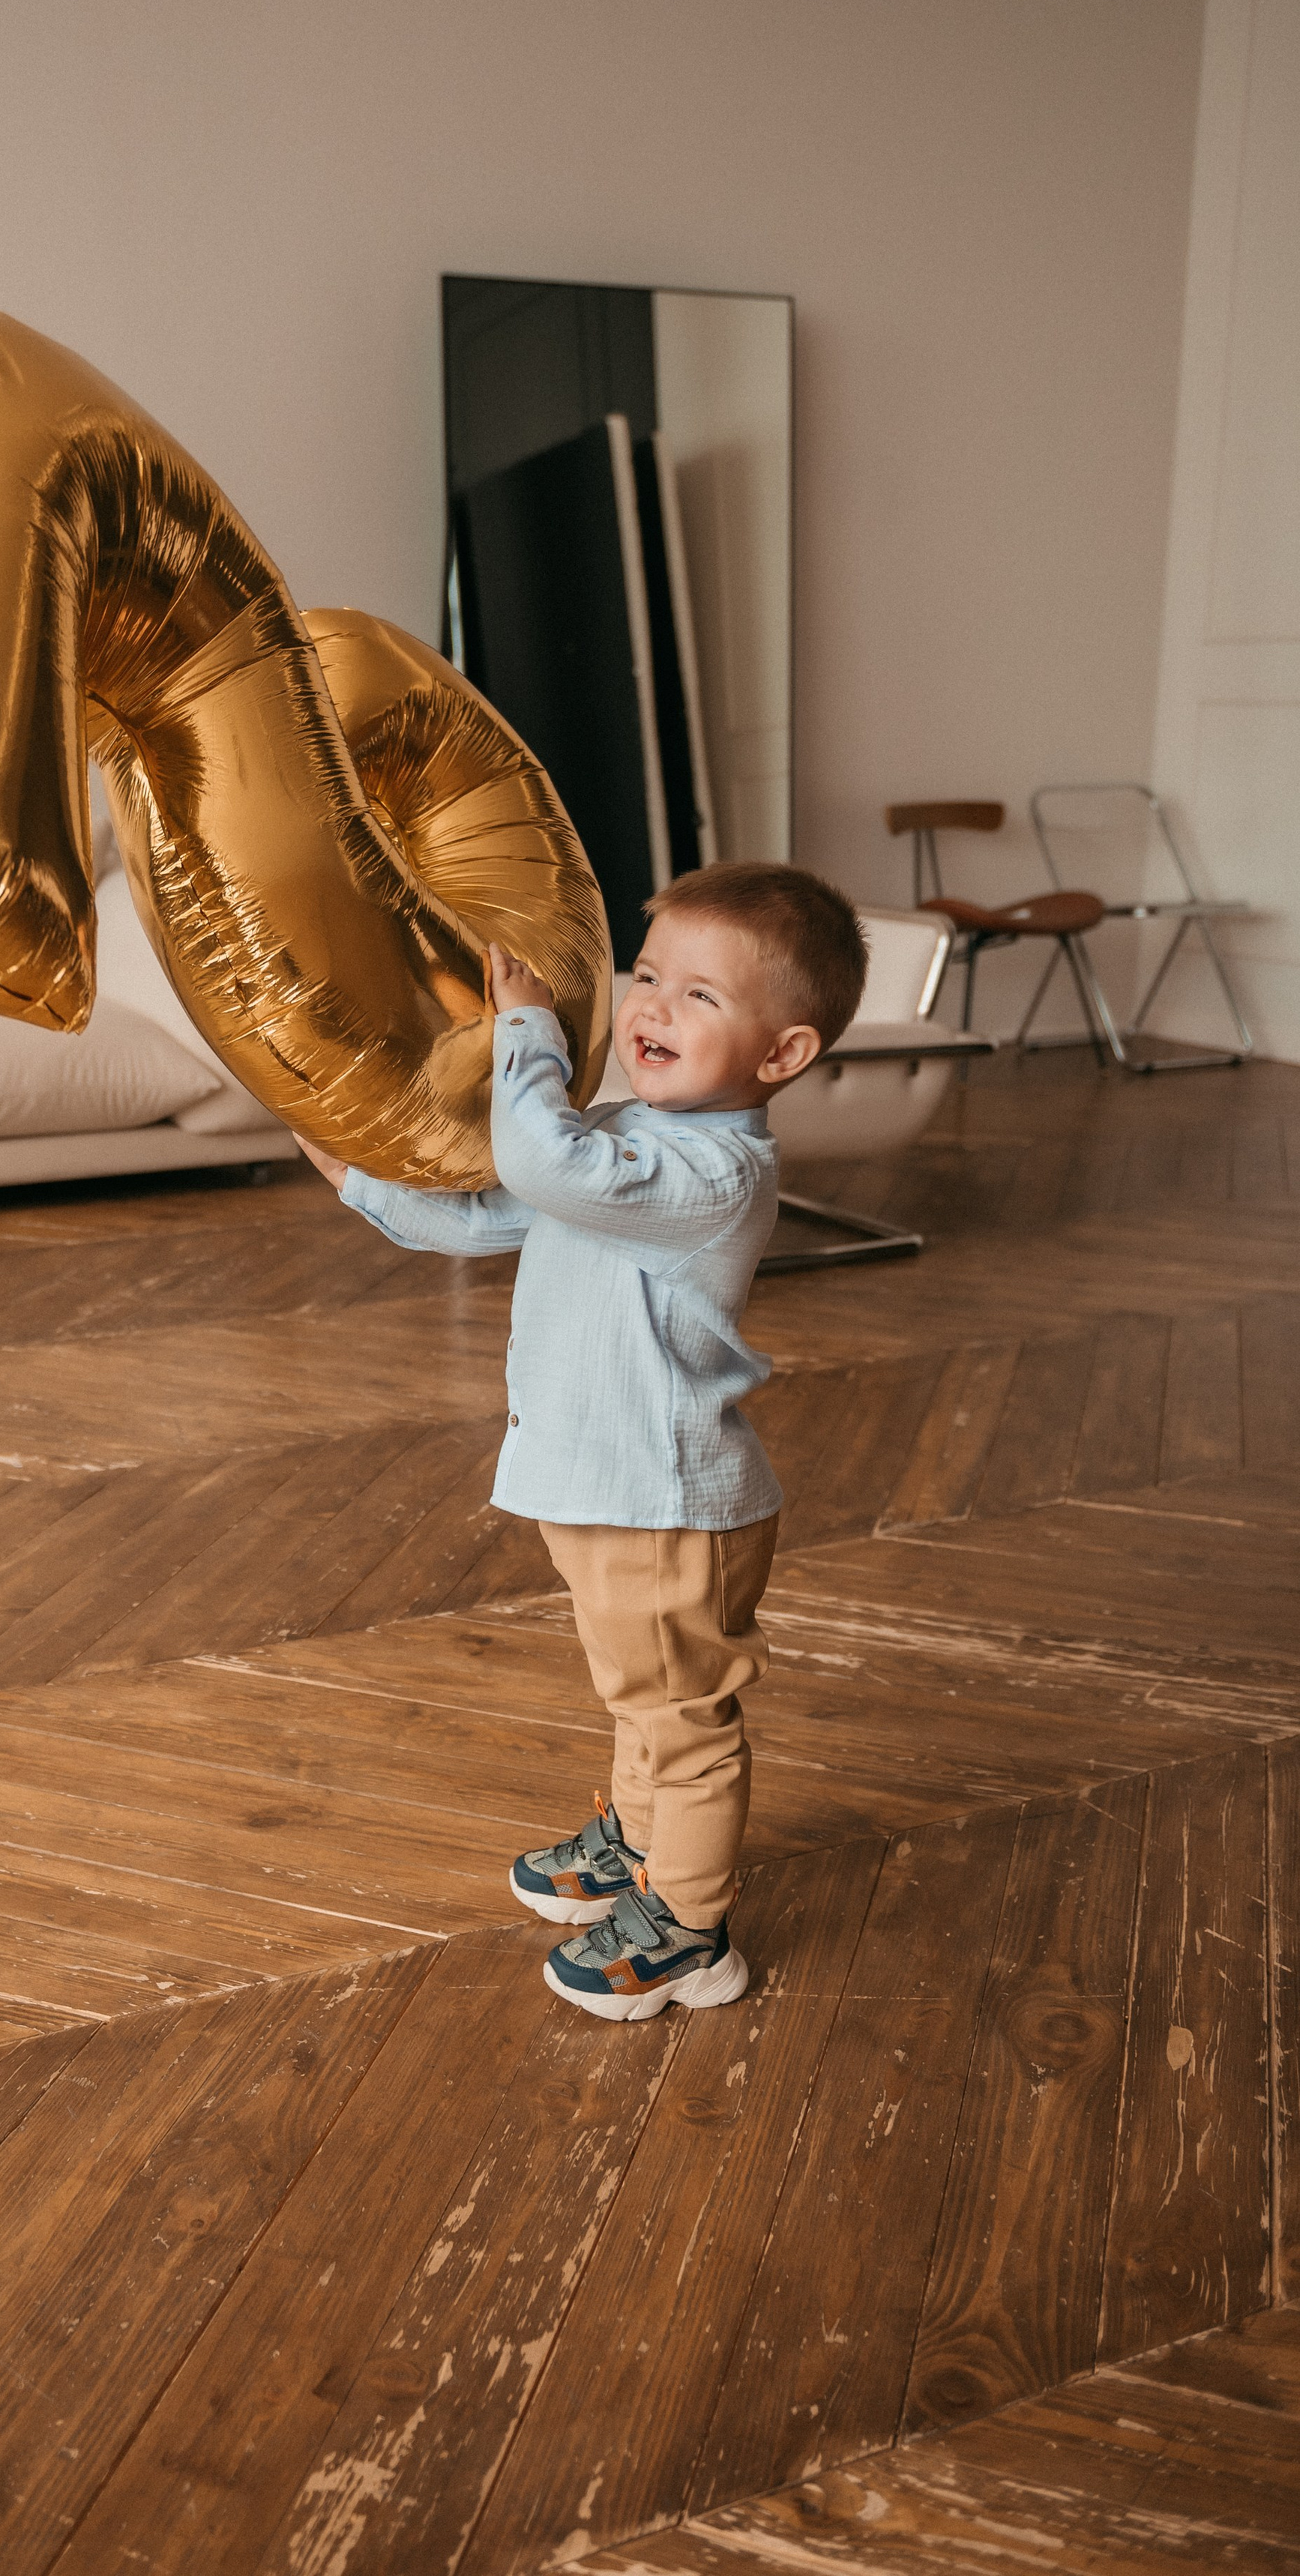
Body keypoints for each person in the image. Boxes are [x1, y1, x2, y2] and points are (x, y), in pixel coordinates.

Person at [298, 861, 867, 2021]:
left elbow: (538, 1161)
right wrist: (354, 1168)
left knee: (681, 1716)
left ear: (783, 1055)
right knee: (638, 1691)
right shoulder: (623, 1136)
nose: (651, 1006)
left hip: (662, 1501)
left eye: (700, 996)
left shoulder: (715, 1169)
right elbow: (489, 1213)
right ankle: (638, 1846)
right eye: (648, 974)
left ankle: (689, 1925)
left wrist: (528, 1035)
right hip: (608, 1487)